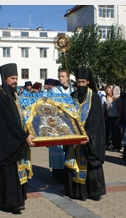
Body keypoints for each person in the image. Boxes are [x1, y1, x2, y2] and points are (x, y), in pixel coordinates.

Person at [0, 63, 35, 213]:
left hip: (14, 140)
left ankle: (16, 199)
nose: (15, 81)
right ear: (4, 78)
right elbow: (9, 121)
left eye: (16, 78)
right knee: (7, 174)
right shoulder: (0, 96)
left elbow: (20, 117)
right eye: (12, 78)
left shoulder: (13, 95)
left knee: (15, 173)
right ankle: (9, 202)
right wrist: (24, 136)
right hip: (6, 143)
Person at [64, 67, 106, 201]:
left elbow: (96, 120)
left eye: (83, 82)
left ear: (88, 82)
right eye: (78, 82)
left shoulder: (94, 96)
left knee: (90, 164)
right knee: (75, 163)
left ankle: (93, 191)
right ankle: (76, 192)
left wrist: (87, 135)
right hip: (75, 139)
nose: (80, 84)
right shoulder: (72, 96)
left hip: (88, 139)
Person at [48, 70, 73, 182]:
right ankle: (58, 173)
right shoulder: (54, 90)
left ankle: (68, 170)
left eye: (63, 76)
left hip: (70, 123)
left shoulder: (73, 90)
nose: (60, 78)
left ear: (67, 77)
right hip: (57, 122)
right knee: (57, 147)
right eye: (59, 76)